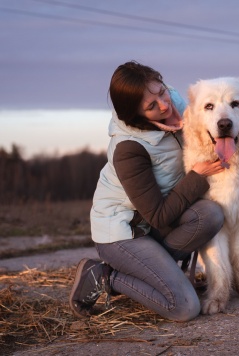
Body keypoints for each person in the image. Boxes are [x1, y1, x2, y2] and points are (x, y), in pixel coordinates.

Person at [69, 61, 225, 322]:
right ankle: (105, 276)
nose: (164, 105)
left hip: (152, 226)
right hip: (123, 233)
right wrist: (197, 176)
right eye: (151, 106)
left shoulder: (175, 101)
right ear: (135, 115)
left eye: (161, 92)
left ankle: (157, 273)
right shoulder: (129, 149)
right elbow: (159, 216)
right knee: (185, 306)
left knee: (210, 214)